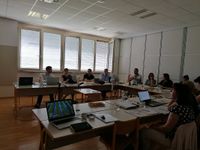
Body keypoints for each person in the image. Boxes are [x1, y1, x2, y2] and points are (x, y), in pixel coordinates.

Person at [140, 83, 198, 150]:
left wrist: (152, 126)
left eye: (173, 90)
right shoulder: (188, 106)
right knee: (157, 124)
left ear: (178, 93)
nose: (171, 91)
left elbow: (166, 129)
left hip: (173, 139)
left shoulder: (176, 109)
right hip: (183, 138)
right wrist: (174, 99)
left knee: (144, 131)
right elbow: (169, 108)